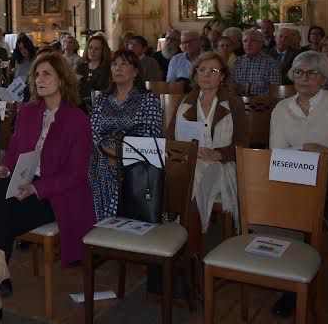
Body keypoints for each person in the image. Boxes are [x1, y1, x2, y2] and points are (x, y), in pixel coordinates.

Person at [0, 52, 95, 324]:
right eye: (36, 74)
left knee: (0, 215)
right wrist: (4, 169)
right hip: (22, 184)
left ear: (62, 79)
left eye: (47, 73)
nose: (39, 79)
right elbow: (13, 153)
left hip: (57, 196)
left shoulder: (78, 119)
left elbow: (76, 175)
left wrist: (36, 187)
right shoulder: (29, 111)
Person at [269, 51, 328, 318]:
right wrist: (311, 149)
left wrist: (324, 158)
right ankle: (292, 281)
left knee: (314, 196)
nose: (304, 77)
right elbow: (278, 152)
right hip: (294, 174)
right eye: (299, 72)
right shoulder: (281, 108)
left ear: (324, 77)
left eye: (311, 73)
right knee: (286, 202)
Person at [168, 52, 247, 250]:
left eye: (213, 70)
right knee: (187, 171)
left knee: (196, 174)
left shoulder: (233, 103)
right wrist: (187, 152)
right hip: (187, 160)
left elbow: (242, 144)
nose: (206, 74)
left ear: (222, 76)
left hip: (222, 164)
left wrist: (218, 153)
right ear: (195, 75)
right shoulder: (185, 101)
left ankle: (185, 238)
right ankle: (184, 233)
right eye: (201, 70)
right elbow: (170, 139)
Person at [89, 50, 162, 220]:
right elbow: (92, 131)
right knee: (91, 164)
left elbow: (150, 133)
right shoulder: (102, 99)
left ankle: (104, 222)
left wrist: (121, 154)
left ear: (135, 71)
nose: (118, 68)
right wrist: (107, 152)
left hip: (135, 161)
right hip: (102, 156)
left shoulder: (148, 100)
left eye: (124, 64)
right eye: (114, 64)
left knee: (100, 169)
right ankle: (96, 224)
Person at [233, 29, 281, 95]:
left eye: (252, 41)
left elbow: (275, 90)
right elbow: (231, 86)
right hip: (239, 101)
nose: (248, 44)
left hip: (263, 102)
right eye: (245, 41)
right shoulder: (237, 62)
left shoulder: (270, 63)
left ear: (261, 43)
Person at [76, 33, 111, 107]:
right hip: (78, 105)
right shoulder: (81, 67)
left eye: (97, 49)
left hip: (97, 107)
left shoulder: (106, 69)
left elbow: (97, 92)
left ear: (103, 51)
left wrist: (81, 81)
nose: (92, 51)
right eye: (90, 47)